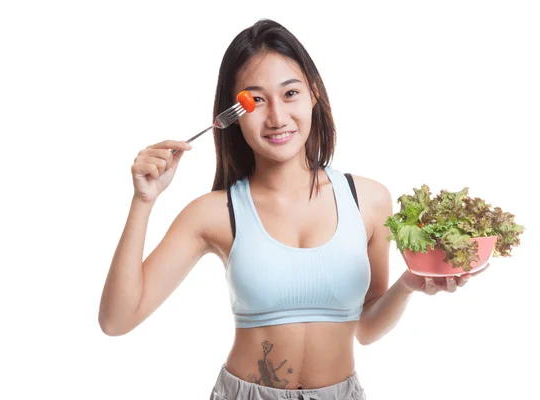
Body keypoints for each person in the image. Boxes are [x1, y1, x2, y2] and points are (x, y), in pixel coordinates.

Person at [98, 18, 478, 400]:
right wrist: (143, 202)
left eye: (290, 93)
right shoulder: (213, 213)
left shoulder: (370, 201)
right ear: (233, 114)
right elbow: (117, 320)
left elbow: (365, 327)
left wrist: (408, 285)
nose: (277, 117)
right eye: (256, 100)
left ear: (313, 93)